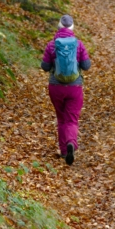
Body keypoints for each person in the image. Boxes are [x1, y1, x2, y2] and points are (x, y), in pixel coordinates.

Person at [41, 15, 91, 165]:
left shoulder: (51, 45)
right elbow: (86, 66)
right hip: (74, 87)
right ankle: (71, 143)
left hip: (56, 87)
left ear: (58, 27)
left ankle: (64, 150)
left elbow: (44, 67)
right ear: (72, 28)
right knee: (71, 119)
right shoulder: (79, 44)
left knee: (61, 118)